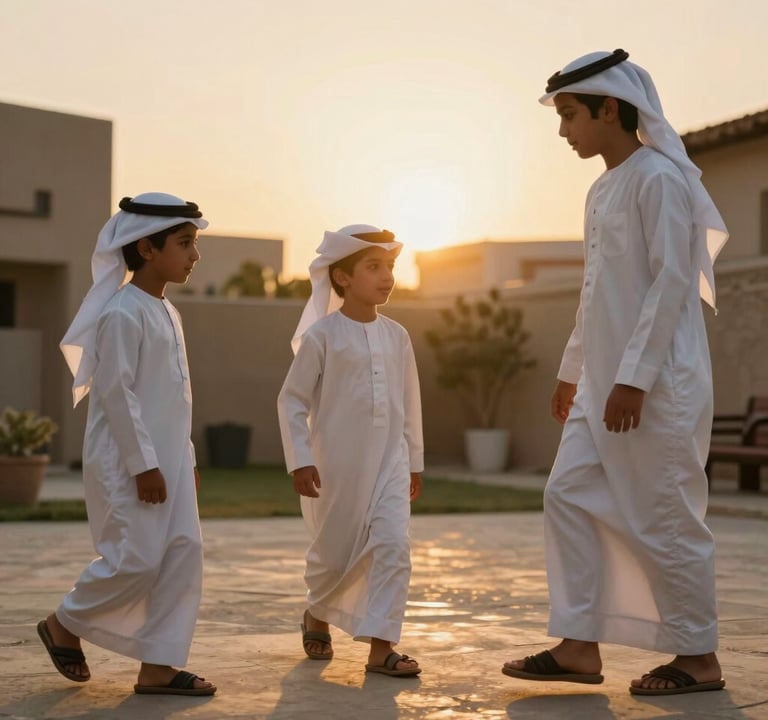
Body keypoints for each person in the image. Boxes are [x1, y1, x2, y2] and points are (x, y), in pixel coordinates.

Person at [502, 50, 729, 696]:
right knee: (567, 494)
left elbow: (671, 281)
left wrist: (635, 378)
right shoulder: (601, 189)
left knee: (664, 513)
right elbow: (596, 291)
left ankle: (699, 657)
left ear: (609, 108)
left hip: (657, 386)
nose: (563, 130)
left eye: (570, 115)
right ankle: (578, 644)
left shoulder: (659, 178)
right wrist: (572, 369)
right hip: (602, 385)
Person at [40, 192, 216, 696]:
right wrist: (143, 465)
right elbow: (117, 394)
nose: (195, 254)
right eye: (184, 243)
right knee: (134, 559)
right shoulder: (122, 312)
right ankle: (63, 624)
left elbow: (174, 398)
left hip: (169, 461)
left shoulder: (167, 311)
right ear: (146, 248)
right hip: (129, 461)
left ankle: (158, 666)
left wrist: (185, 459)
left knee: (182, 554)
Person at [277, 224, 424, 677]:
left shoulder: (398, 336)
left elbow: (410, 402)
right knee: (333, 554)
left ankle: (382, 648)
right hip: (335, 465)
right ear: (341, 277)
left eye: (390, 266)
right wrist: (301, 459)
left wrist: (414, 461)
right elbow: (292, 401)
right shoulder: (322, 336)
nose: (387, 276)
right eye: (373, 267)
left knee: (394, 545)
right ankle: (317, 611)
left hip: (391, 461)